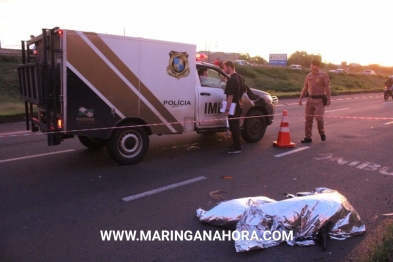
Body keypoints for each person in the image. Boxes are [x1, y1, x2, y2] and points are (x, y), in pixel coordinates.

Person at [298, 59, 331, 143]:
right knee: (308, 119)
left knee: (319, 118)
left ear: (318, 66)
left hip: (319, 100)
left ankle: (322, 132)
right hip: (310, 99)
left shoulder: (323, 75)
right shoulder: (309, 76)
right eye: (311, 64)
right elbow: (305, 88)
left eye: (314, 65)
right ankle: (308, 137)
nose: (312, 66)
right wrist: (301, 98)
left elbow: (327, 88)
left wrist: (329, 99)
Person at [222, 60, 245, 153]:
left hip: (233, 107)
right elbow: (244, 90)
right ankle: (235, 145)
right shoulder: (240, 77)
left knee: (234, 127)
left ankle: (237, 147)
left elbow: (230, 96)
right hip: (239, 105)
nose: (223, 70)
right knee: (236, 126)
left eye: (224, 67)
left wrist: (227, 109)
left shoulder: (231, 80)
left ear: (229, 67)